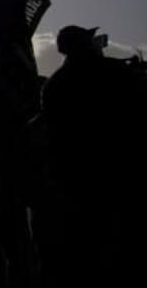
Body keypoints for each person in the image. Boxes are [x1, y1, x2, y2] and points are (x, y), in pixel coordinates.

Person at [37, 25, 146, 284]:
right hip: (119, 184)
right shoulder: (114, 73)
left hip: (75, 191)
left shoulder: (53, 87)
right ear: (84, 45)